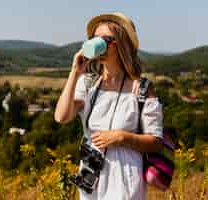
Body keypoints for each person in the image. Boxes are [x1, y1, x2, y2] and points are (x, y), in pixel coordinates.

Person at [54, 12, 164, 200]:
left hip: (124, 175)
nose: (99, 44)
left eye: (105, 39)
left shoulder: (142, 88)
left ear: (122, 43)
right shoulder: (88, 84)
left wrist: (122, 137)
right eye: (95, 39)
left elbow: (156, 142)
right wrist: (75, 72)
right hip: (90, 172)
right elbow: (61, 117)